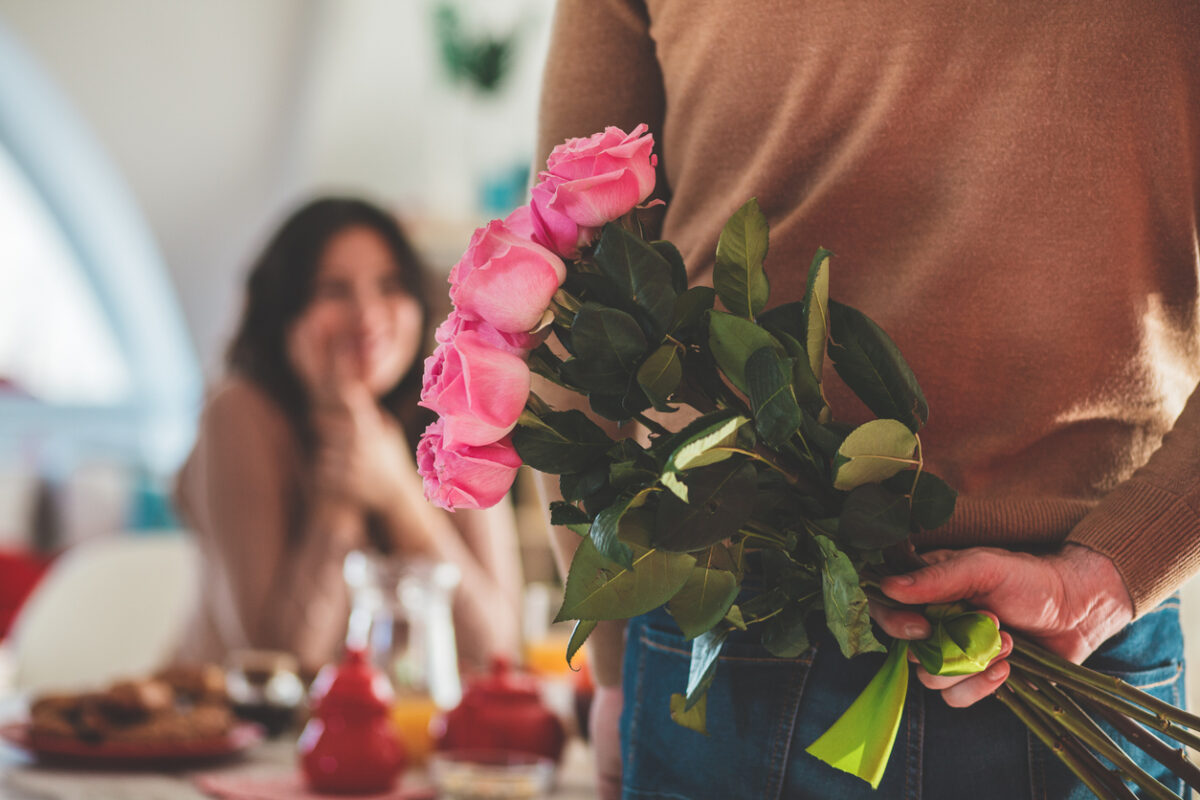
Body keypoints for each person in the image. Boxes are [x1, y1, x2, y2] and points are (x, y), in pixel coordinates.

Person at [534, 2, 1200, 798]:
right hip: (1070, 638)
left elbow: (565, 275)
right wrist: (1111, 574)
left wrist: (609, 656)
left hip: (724, 623)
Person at [175, 197, 523, 676]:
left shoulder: (456, 419)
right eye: (332, 290)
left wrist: (399, 496)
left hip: (401, 738)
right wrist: (340, 496)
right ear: (286, 313)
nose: (367, 315)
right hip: (242, 739)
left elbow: (498, 651)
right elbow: (283, 663)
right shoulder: (238, 413)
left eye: (390, 285)